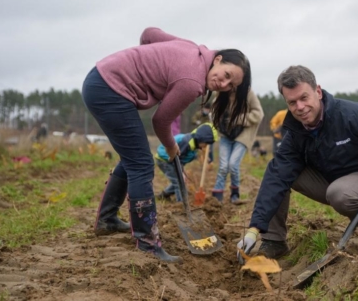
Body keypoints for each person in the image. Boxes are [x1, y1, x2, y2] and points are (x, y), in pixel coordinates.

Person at [82, 27, 251, 263]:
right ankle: (148, 243)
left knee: (132, 158)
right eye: (226, 75)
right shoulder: (191, 81)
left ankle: (107, 219)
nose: (224, 84)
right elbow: (160, 122)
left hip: (101, 79)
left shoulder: (192, 49)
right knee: (141, 165)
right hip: (109, 89)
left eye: (231, 86)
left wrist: (146, 67)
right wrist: (172, 148)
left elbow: (149, 34)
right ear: (219, 59)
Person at [236, 65, 358, 263]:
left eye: (304, 98)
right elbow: (277, 175)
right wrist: (254, 229)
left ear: (318, 92)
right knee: (279, 172)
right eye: (292, 102)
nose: (300, 107)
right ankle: (274, 241)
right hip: (332, 180)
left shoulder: (351, 114)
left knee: (339, 193)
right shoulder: (296, 133)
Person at [212, 89, 263, 204]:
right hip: (225, 134)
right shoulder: (220, 93)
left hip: (243, 134)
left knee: (233, 164)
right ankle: (217, 196)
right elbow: (214, 111)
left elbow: (258, 114)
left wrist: (238, 119)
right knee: (223, 166)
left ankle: (235, 195)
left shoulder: (248, 93)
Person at [155, 123, 218, 201]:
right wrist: (181, 172)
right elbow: (176, 158)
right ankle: (181, 203)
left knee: (179, 180)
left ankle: (164, 195)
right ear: (201, 139)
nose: (205, 146)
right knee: (179, 182)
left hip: (173, 161)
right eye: (205, 144)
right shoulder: (186, 142)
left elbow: (187, 156)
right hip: (165, 160)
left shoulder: (195, 143)